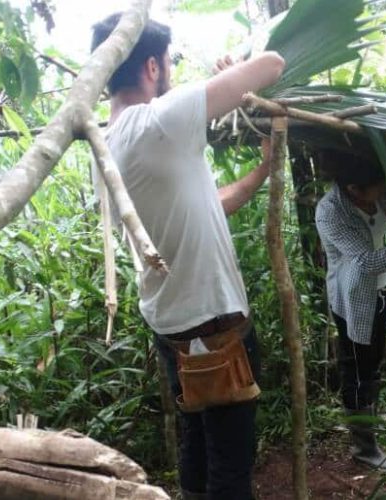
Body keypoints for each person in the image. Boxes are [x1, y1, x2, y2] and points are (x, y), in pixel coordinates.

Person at [91, 14, 284, 500]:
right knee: (230, 468)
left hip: (172, 325)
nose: (173, 72)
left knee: (197, 446)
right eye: (170, 62)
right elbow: (274, 64)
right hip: (213, 324)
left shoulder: (107, 145)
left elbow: (206, 202)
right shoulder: (161, 120)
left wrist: (262, 170)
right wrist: (233, 69)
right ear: (151, 66)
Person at [315, 151, 386, 468]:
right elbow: (366, 262)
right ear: (354, 189)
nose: (384, 191)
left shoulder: (375, 196)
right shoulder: (330, 212)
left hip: (379, 293)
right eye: (378, 187)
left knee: (372, 366)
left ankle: (370, 428)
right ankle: (365, 449)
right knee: (356, 370)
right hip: (353, 302)